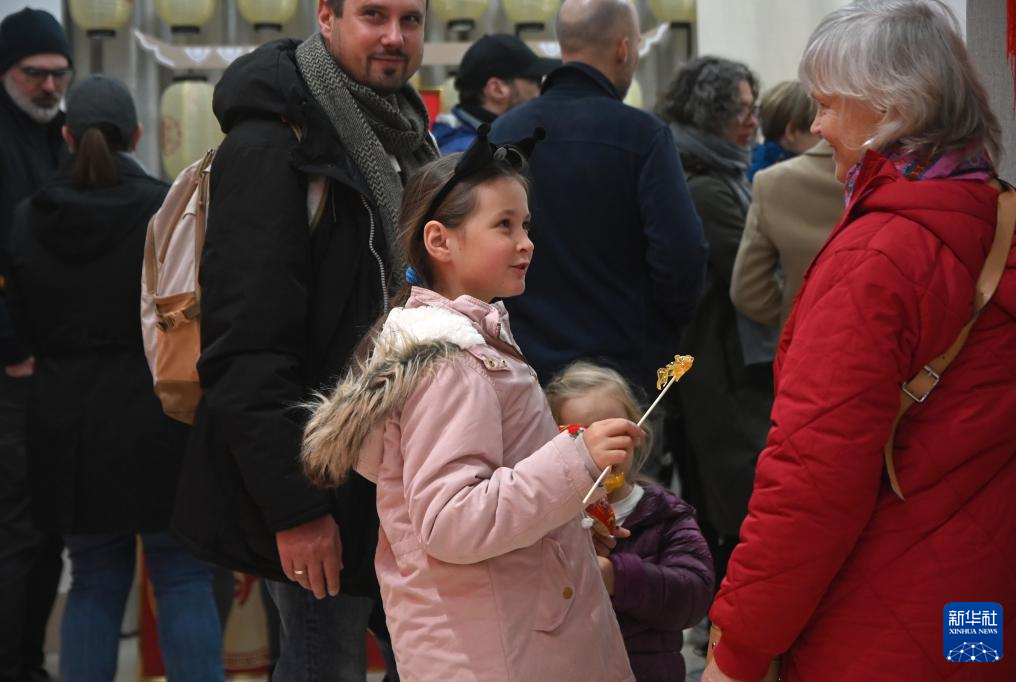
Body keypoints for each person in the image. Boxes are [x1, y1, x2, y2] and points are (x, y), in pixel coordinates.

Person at [703, 2, 1016, 680]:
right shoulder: (1005, 217)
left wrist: (736, 649)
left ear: (887, 110)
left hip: (883, 615)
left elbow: (813, 479)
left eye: (826, 104)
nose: (815, 126)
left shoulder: (876, 258)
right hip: (982, 599)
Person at [300, 129, 640, 681]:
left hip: (502, 632)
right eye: (503, 225)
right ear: (440, 241)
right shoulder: (452, 362)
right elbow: (451, 521)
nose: (525, 242)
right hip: (496, 652)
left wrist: (568, 517)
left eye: (525, 224)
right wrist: (576, 462)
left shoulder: (463, 342)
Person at [170, 0, 437, 679]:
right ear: (325, 15)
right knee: (324, 658)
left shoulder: (404, 135)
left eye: (410, 19)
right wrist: (296, 508)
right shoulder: (274, 148)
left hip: (405, 476)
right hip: (322, 486)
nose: (393, 36)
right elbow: (244, 350)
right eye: (373, 14)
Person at [6, 75, 224, 682]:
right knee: (182, 575)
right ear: (136, 135)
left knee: (95, 579)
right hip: (161, 411)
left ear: (68, 135)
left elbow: (15, 328)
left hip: (65, 423)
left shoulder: (29, 217)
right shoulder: (164, 208)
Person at [489, 0, 706, 400]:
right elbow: (682, 257)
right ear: (624, 48)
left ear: (563, 44)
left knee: (528, 468)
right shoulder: (644, 136)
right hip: (621, 381)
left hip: (520, 373)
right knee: (619, 467)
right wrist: (660, 335)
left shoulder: (504, 131)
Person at [658, 55, 774, 588]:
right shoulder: (707, 185)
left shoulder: (713, 171)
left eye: (753, 109)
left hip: (719, 359)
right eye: (741, 111)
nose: (752, 122)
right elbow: (752, 274)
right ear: (712, 114)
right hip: (721, 366)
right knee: (735, 500)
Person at [546, 361, 714, 682]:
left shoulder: (666, 516)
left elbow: (694, 597)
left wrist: (617, 577)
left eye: (615, 432)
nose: (603, 451)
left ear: (639, 434)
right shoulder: (545, 515)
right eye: (580, 437)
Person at [0, 8, 73, 681]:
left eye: (59, 74)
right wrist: (12, 347)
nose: (50, 87)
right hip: (15, 373)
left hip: (54, 371)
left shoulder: (57, 140)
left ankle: (31, 663)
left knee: (49, 529)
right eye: (35, 74)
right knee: (19, 535)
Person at [730, 139, 844, 330]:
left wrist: (795, 318)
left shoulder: (774, 181)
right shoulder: (905, 172)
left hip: (806, 342)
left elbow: (748, 292)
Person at [432, 33, 558, 154]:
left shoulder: (480, 144)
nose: (540, 93)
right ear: (497, 89)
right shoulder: (475, 158)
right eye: (534, 81)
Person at [746, 81, 818, 181]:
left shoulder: (753, 162)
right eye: (820, 135)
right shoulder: (787, 178)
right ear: (792, 132)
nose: (827, 143)